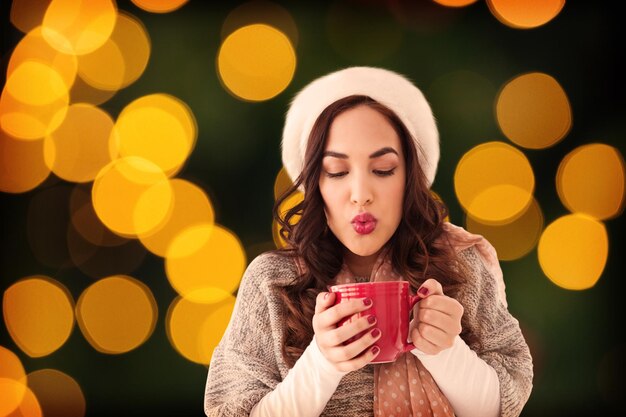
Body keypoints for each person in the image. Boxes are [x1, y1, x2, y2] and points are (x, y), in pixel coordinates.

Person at [204, 67, 533, 417]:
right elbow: (230, 409)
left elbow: (506, 402)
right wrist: (323, 363)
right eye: (337, 172)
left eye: (383, 169)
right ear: (315, 183)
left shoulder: (460, 265)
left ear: (410, 178)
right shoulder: (273, 281)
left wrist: (446, 351)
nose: (361, 195)